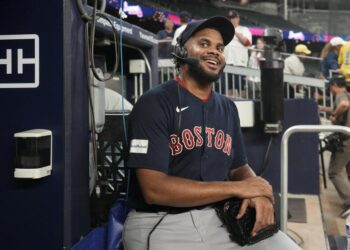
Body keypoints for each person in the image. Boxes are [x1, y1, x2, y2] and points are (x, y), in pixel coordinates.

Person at [123, 16, 300, 250]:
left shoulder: (227, 108)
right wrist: (238, 188)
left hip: (217, 218)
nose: (214, 52)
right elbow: (154, 190)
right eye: (204, 44)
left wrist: (257, 190)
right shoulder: (154, 103)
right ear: (181, 51)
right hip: (160, 222)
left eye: (219, 47)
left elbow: (238, 168)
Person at [319, 75, 350, 218]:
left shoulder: (341, 95)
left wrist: (334, 116)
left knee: (334, 171)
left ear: (335, 85)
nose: (330, 90)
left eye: (330, 87)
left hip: (346, 140)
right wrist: (324, 108)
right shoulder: (347, 94)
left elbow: (344, 105)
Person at [224, 10, 252, 96]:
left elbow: (247, 43)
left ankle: (244, 104)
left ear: (238, 18)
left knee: (241, 87)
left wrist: (235, 32)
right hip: (227, 62)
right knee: (228, 87)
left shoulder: (244, 29)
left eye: (234, 18)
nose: (232, 20)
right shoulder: (225, 30)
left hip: (240, 63)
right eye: (230, 18)